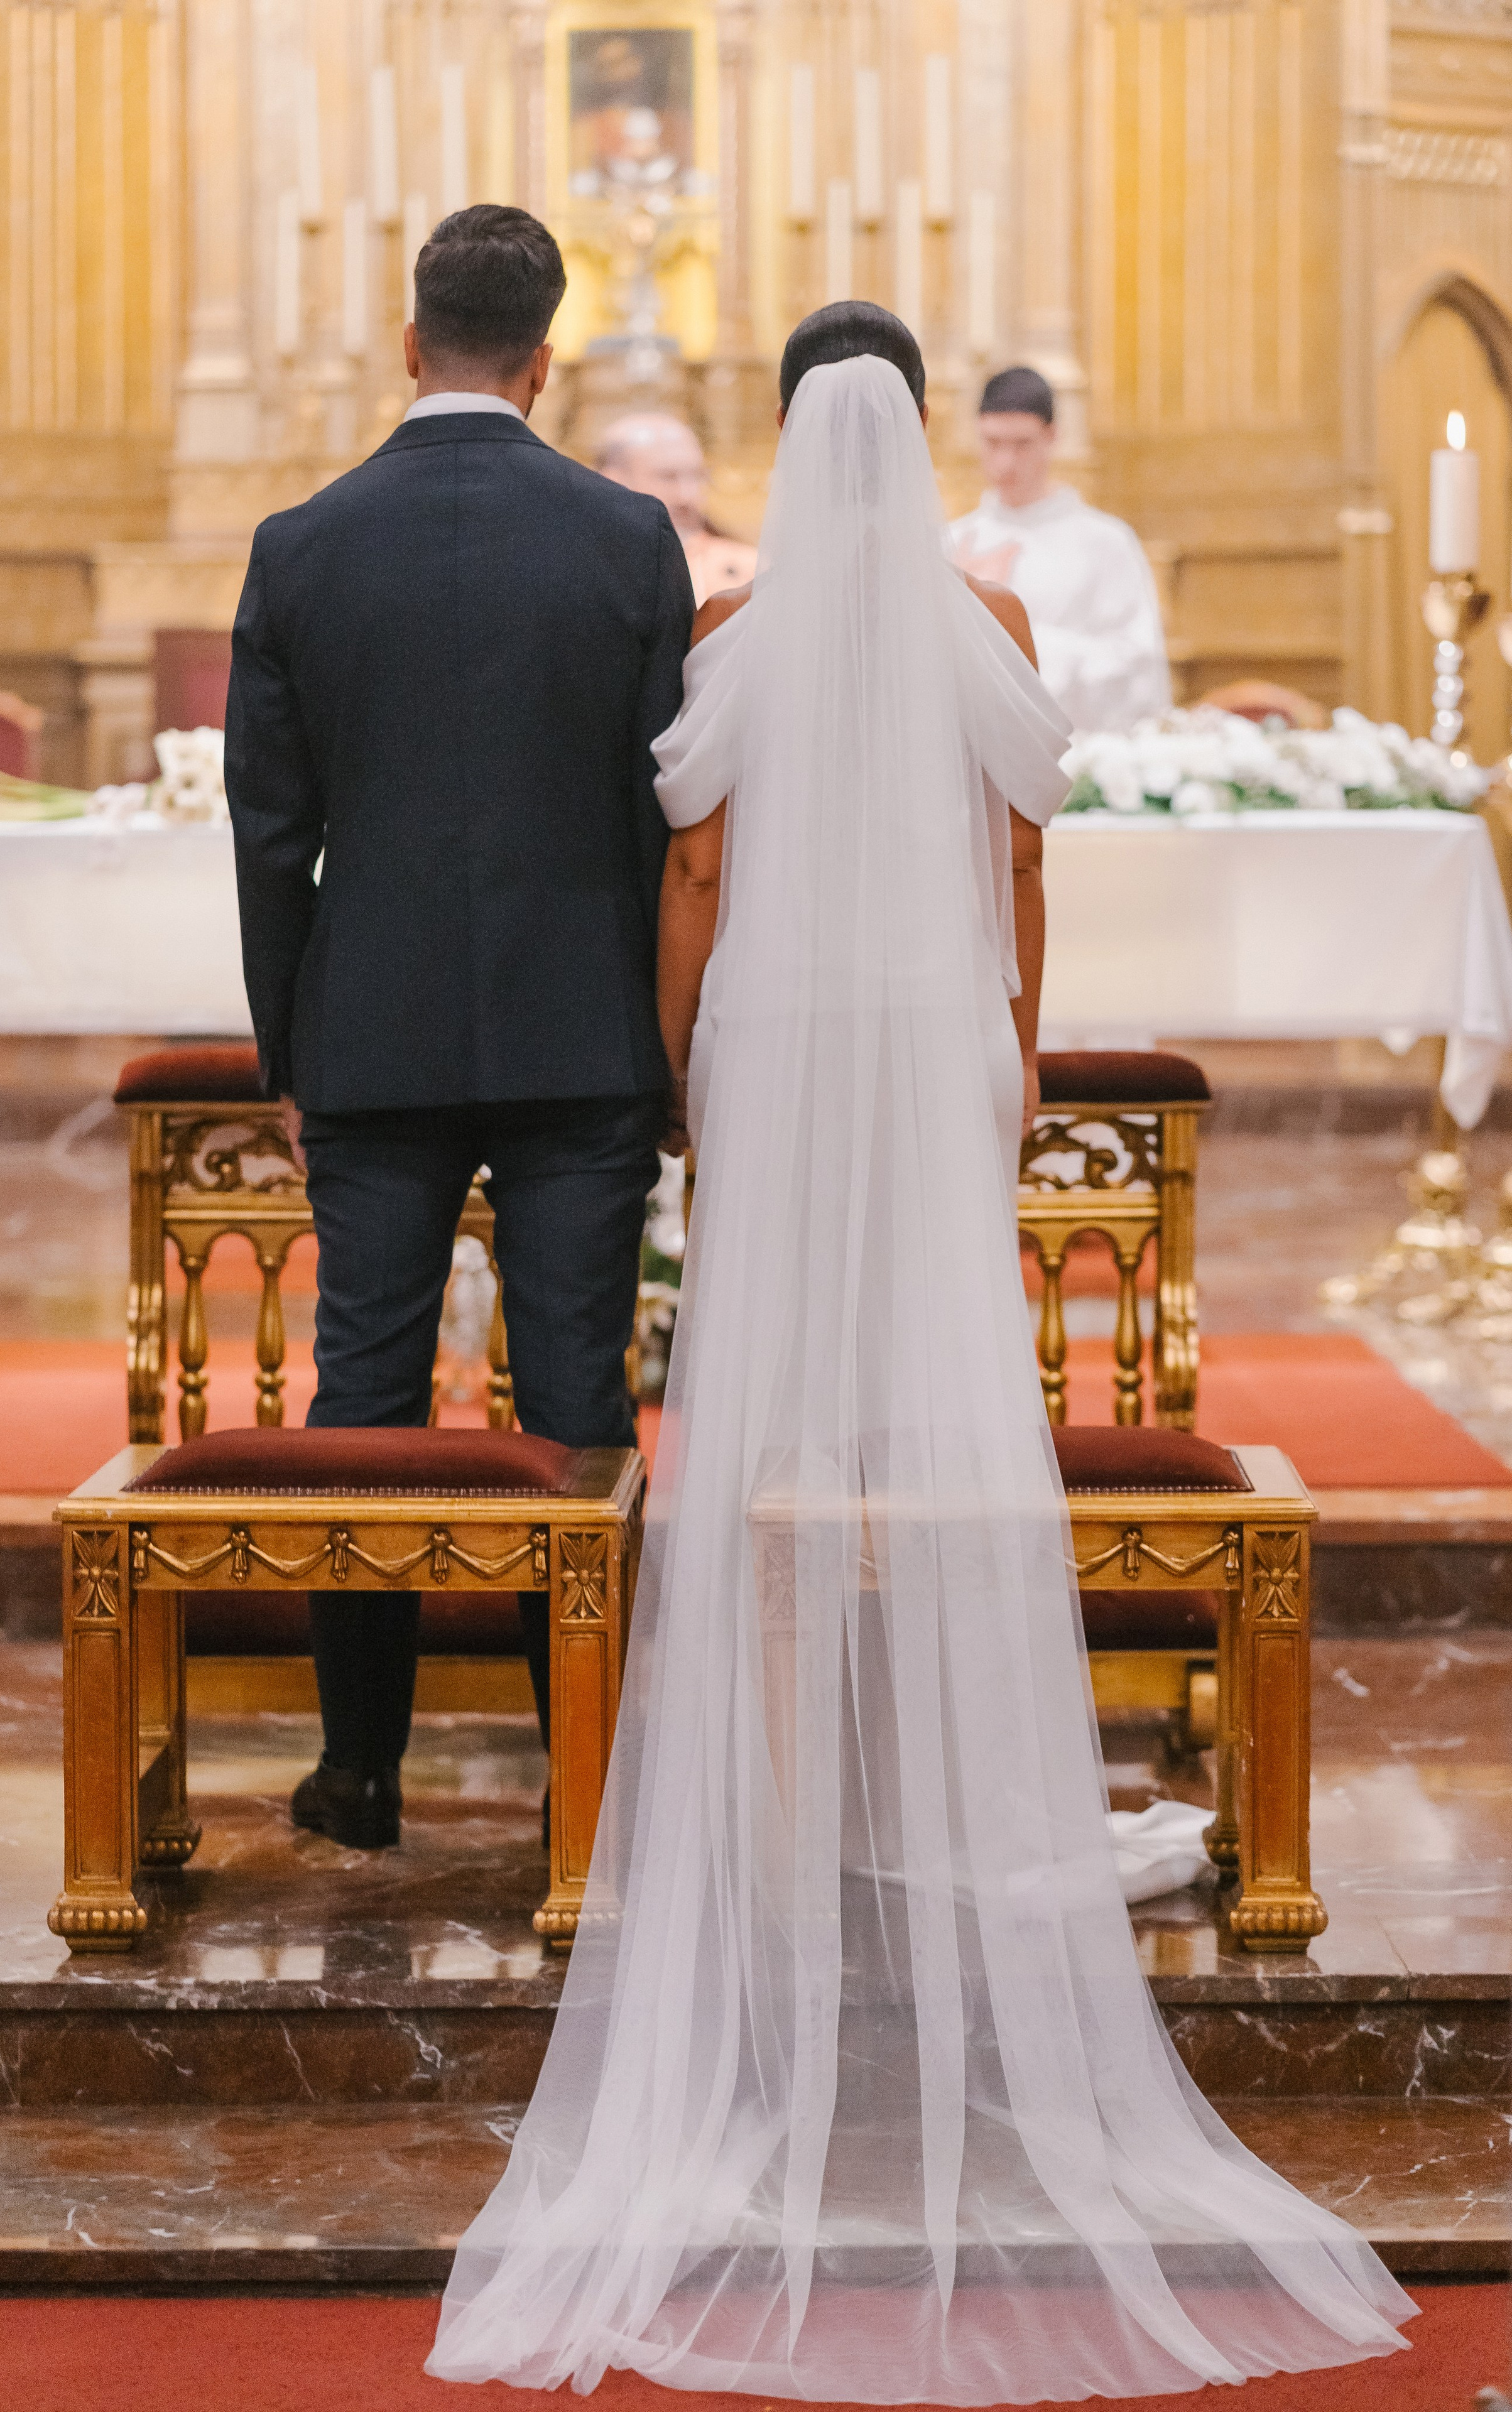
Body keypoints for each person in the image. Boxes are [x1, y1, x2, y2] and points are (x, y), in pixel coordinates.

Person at [428, 305, 1413, 2397]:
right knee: (933, 1410)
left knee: (777, 1419)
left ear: (787, 435)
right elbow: (1028, 864)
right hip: (943, 1038)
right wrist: (1015, 1055)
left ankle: (797, 1781)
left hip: (780, 1041)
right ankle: (939, 1758)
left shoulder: (743, 632)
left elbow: (694, 867)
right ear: (928, 423)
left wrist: (695, 1067)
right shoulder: (984, 612)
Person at [225, 205, 694, 1850]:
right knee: (579, 1394)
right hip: (585, 1035)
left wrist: (293, 1054)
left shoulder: (302, 544)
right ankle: (591, 1766)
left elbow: (271, 834)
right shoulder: (630, 542)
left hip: (376, 1028)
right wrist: (666, 1047)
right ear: (546, 356)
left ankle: (362, 1770)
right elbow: (665, 826)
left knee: (363, 1390)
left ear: (408, 342)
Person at [948, 364, 1172, 732]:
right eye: (992, 443)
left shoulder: (1105, 541)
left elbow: (1137, 669)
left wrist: (1009, 628)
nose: (1006, 463)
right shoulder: (954, 541)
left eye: (1022, 445)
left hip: (1076, 752)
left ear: (1052, 436)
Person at [597, 411, 759, 606]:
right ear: (612, 482)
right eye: (668, 477)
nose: (687, 496)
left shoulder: (751, 570)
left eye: (698, 476)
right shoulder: (585, 568)